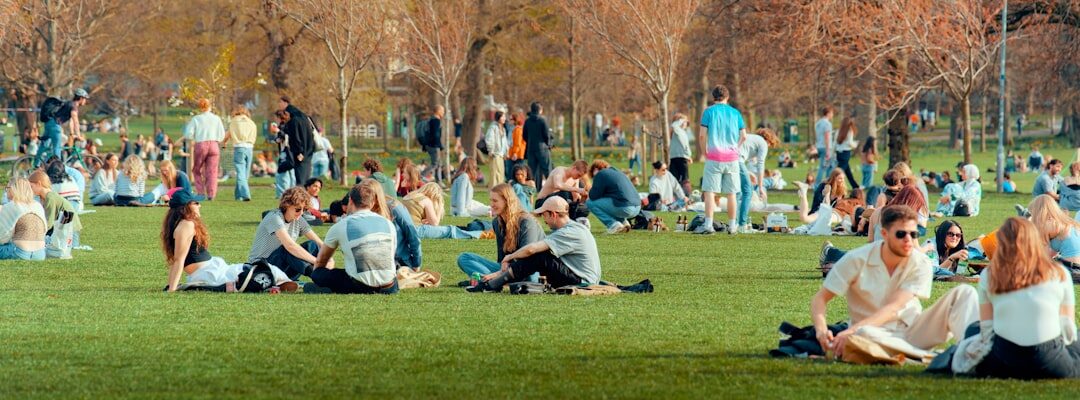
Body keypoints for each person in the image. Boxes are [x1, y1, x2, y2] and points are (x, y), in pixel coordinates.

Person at [809, 205, 978, 359]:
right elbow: (820, 299)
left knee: (965, 293)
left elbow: (894, 307)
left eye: (913, 234)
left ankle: (973, 352)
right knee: (863, 334)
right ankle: (935, 358)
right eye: (901, 234)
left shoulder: (921, 262)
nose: (908, 240)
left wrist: (851, 331)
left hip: (915, 330)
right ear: (884, 234)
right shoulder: (856, 259)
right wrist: (821, 331)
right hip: (875, 334)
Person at [947, 217, 1080, 379]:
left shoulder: (989, 275)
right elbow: (1067, 328)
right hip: (1048, 361)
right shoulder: (1059, 273)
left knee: (973, 329)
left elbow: (987, 330)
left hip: (1004, 359)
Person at [476, 196, 601, 291]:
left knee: (540, 256)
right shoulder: (575, 228)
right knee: (541, 255)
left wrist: (510, 257)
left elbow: (532, 249)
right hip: (583, 277)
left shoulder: (568, 232)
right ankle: (500, 281)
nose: (543, 219)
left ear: (553, 214)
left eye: (544, 215)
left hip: (582, 281)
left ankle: (494, 284)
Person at [307, 183, 399, 295]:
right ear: (372, 202)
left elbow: (321, 261)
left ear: (350, 200)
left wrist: (318, 277)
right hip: (390, 286)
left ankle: (324, 289)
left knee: (318, 274)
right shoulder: (388, 223)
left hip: (360, 286)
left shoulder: (342, 225)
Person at [457, 183, 545, 283]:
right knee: (464, 258)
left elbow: (527, 258)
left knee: (531, 278)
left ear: (507, 202)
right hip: (508, 269)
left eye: (495, 201)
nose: (491, 204)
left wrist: (498, 274)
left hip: (530, 270)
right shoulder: (497, 222)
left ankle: (489, 280)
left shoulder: (526, 222)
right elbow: (501, 260)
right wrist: (500, 272)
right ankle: (490, 280)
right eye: (491, 200)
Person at [248, 187, 329, 281]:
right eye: (298, 209)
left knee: (313, 245)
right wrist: (317, 261)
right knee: (286, 249)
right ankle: (320, 278)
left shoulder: (299, 219)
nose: (301, 213)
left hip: (282, 268)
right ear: (286, 205)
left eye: (304, 209)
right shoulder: (274, 217)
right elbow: (290, 246)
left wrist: (328, 258)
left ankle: (323, 278)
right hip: (261, 269)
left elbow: (319, 242)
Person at [695, 85, 746, 235]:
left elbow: (702, 135)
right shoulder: (735, 113)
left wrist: (704, 151)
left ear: (713, 97)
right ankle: (732, 226)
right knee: (731, 193)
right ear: (727, 97)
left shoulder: (708, 112)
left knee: (710, 191)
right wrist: (736, 148)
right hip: (732, 158)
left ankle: (709, 225)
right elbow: (744, 136)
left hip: (714, 156)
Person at [364, 180, 421, 270]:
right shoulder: (365, 211)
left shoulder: (394, 207)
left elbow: (412, 235)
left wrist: (416, 263)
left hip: (400, 261)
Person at [400, 183, 487, 239]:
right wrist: (440, 206)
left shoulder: (408, 197)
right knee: (450, 230)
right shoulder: (426, 200)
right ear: (433, 195)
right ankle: (481, 234)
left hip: (401, 230)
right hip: (416, 230)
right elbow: (435, 224)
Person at [182, 99, 225, 200]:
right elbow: (222, 135)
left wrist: (194, 138)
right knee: (212, 171)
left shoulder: (196, 119)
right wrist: (216, 140)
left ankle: (201, 193)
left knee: (196, 169)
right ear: (210, 106)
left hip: (201, 144)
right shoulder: (216, 118)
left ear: (200, 107)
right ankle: (211, 194)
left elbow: (188, 134)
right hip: (214, 144)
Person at [736, 127, 777, 233]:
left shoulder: (752, 138)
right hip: (737, 160)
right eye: (770, 144)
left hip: (729, 159)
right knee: (748, 191)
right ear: (769, 140)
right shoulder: (763, 143)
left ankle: (734, 223)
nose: (769, 146)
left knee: (735, 192)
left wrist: (750, 174)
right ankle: (742, 225)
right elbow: (760, 165)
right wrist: (760, 187)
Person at [586, 160, 641, 234]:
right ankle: (624, 223)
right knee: (611, 202)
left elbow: (593, 196)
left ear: (595, 169)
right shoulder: (617, 171)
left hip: (626, 208)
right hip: (637, 207)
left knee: (590, 203)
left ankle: (613, 224)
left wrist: (591, 188)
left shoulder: (600, 174)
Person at [29, 170, 82, 247]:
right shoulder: (44, 197)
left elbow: (48, 223)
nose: (30, 189)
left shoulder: (50, 198)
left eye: (31, 186)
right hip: (63, 228)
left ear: (39, 184)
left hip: (70, 231)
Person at [1028, 195, 1080, 271]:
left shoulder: (1047, 225)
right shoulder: (1063, 223)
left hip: (1071, 269)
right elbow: (1053, 251)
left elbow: (1045, 257)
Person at [0, 178, 47, 260]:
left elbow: (3, 236)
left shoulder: (11, 206)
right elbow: (44, 230)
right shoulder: (37, 205)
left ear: (13, 189)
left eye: (7, 188)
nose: (6, 191)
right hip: (40, 254)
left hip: (19, 252)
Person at [39, 89, 88, 164]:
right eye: (85, 99)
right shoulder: (74, 106)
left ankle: (36, 165)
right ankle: (56, 167)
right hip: (55, 125)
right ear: (81, 98)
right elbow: (76, 122)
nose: (85, 101)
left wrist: (72, 133)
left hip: (49, 122)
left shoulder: (69, 104)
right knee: (57, 148)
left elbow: (71, 121)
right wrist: (78, 135)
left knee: (44, 146)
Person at [277, 96, 315, 185]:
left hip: (300, 153)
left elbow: (296, 138)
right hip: (308, 151)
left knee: (300, 179)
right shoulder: (304, 118)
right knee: (306, 178)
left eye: (280, 102)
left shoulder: (294, 121)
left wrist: (299, 152)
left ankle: (300, 197)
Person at [223, 105, 256, 201]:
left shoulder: (234, 121)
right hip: (249, 148)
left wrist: (224, 143)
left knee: (240, 172)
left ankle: (245, 194)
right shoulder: (251, 122)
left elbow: (228, 134)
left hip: (239, 147)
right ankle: (238, 196)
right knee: (244, 173)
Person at [523, 102, 553, 185]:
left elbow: (524, 135)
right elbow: (547, 135)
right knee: (547, 170)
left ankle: (532, 189)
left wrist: (530, 142)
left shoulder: (527, 121)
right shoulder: (542, 120)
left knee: (531, 171)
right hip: (542, 149)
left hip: (531, 149)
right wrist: (548, 144)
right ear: (540, 110)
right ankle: (552, 188)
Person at [271, 111, 295, 199]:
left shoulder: (282, 126)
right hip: (291, 153)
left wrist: (277, 132)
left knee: (282, 174)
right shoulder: (290, 125)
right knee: (291, 174)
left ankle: (282, 194)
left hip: (285, 153)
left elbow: (283, 137)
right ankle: (293, 193)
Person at [670, 113, 693, 198]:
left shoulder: (682, 132)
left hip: (682, 158)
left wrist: (688, 155)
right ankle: (677, 196)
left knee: (683, 179)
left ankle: (686, 197)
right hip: (677, 158)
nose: (686, 123)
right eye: (685, 122)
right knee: (678, 179)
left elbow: (685, 145)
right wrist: (681, 120)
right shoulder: (677, 130)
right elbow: (674, 125)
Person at [485, 111, 509, 187]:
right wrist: (491, 150)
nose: (504, 118)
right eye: (503, 117)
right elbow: (489, 139)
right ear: (498, 117)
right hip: (495, 154)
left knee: (501, 174)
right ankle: (493, 193)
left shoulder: (503, 129)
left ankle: (499, 193)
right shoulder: (493, 127)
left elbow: (505, 142)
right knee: (494, 175)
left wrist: (506, 152)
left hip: (501, 155)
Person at [834, 116, 859, 190]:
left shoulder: (838, 131)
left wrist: (832, 152)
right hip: (846, 152)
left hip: (839, 153)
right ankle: (832, 184)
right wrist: (855, 144)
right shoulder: (850, 131)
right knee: (839, 172)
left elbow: (835, 143)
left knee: (848, 172)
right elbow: (850, 143)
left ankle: (855, 186)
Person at [814, 107, 836, 189]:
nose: (832, 115)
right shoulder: (827, 124)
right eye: (832, 113)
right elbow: (827, 137)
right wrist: (828, 150)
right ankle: (818, 185)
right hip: (826, 147)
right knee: (824, 166)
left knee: (830, 166)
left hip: (819, 146)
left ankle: (827, 183)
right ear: (828, 113)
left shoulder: (818, 123)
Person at [423, 105, 445, 183]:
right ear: (438, 111)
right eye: (442, 110)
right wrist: (440, 145)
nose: (443, 112)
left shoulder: (430, 120)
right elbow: (436, 135)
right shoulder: (436, 121)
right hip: (434, 146)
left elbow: (426, 133)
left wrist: (424, 145)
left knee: (439, 164)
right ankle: (421, 176)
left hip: (430, 145)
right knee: (435, 164)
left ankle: (439, 182)